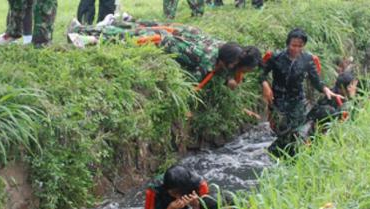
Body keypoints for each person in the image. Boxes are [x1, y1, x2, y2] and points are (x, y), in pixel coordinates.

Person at [66, 19, 262, 90]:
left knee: (133, 28)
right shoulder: (207, 63)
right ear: (231, 63)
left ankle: (96, 27)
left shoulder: (225, 48)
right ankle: (83, 34)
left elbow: (231, 74)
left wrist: (230, 78)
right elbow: (193, 87)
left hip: (172, 33)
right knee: (125, 37)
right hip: (160, 39)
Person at [261, 28, 344, 156]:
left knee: (294, 132)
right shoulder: (275, 57)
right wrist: (265, 85)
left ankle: (283, 156)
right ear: (287, 43)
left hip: (297, 101)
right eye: (293, 45)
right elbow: (260, 74)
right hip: (277, 101)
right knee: (280, 131)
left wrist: (326, 89)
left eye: (300, 46)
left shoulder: (307, 59)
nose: (296, 49)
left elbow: (316, 80)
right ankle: (274, 154)